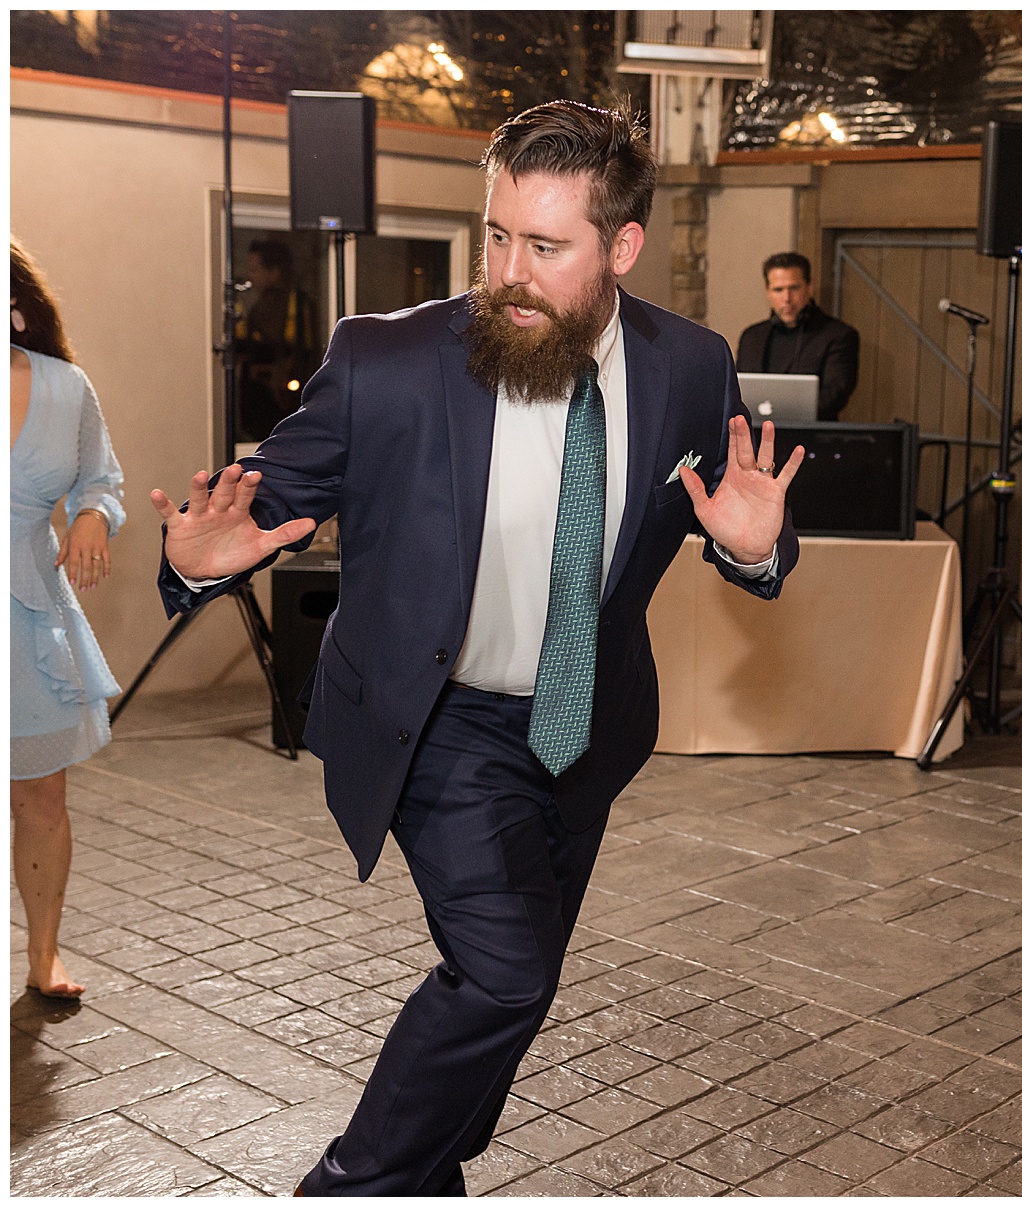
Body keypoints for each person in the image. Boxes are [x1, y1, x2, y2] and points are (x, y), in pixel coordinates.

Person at [153, 101, 803, 1196]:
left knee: (522, 979)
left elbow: (740, 525)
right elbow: (270, 501)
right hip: (438, 722)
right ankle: (353, 1183)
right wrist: (203, 561)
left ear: (622, 247)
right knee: (504, 977)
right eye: (496, 234)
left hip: (584, 728)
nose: (508, 269)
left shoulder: (691, 364)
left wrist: (749, 552)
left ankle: (424, 1169)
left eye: (545, 246)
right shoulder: (387, 359)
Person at [10, 236, 127, 1000]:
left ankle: (43, 956)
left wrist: (92, 516)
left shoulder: (66, 388)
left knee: (41, 796)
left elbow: (102, 480)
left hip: (25, 614)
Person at [735, 251, 859, 419]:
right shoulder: (751, 337)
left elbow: (835, 395)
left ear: (809, 287)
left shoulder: (839, 335)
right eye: (778, 290)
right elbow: (738, 392)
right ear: (767, 291)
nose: (786, 298)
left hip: (811, 438)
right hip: (756, 437)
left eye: (794, 288)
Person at [235, 238, 319, 444]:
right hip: (260, 406)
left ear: (274, 272)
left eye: (255, 270)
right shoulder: (258, 306)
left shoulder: (298, 306)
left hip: (287, 403)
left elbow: (301, 352)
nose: (249, 277)